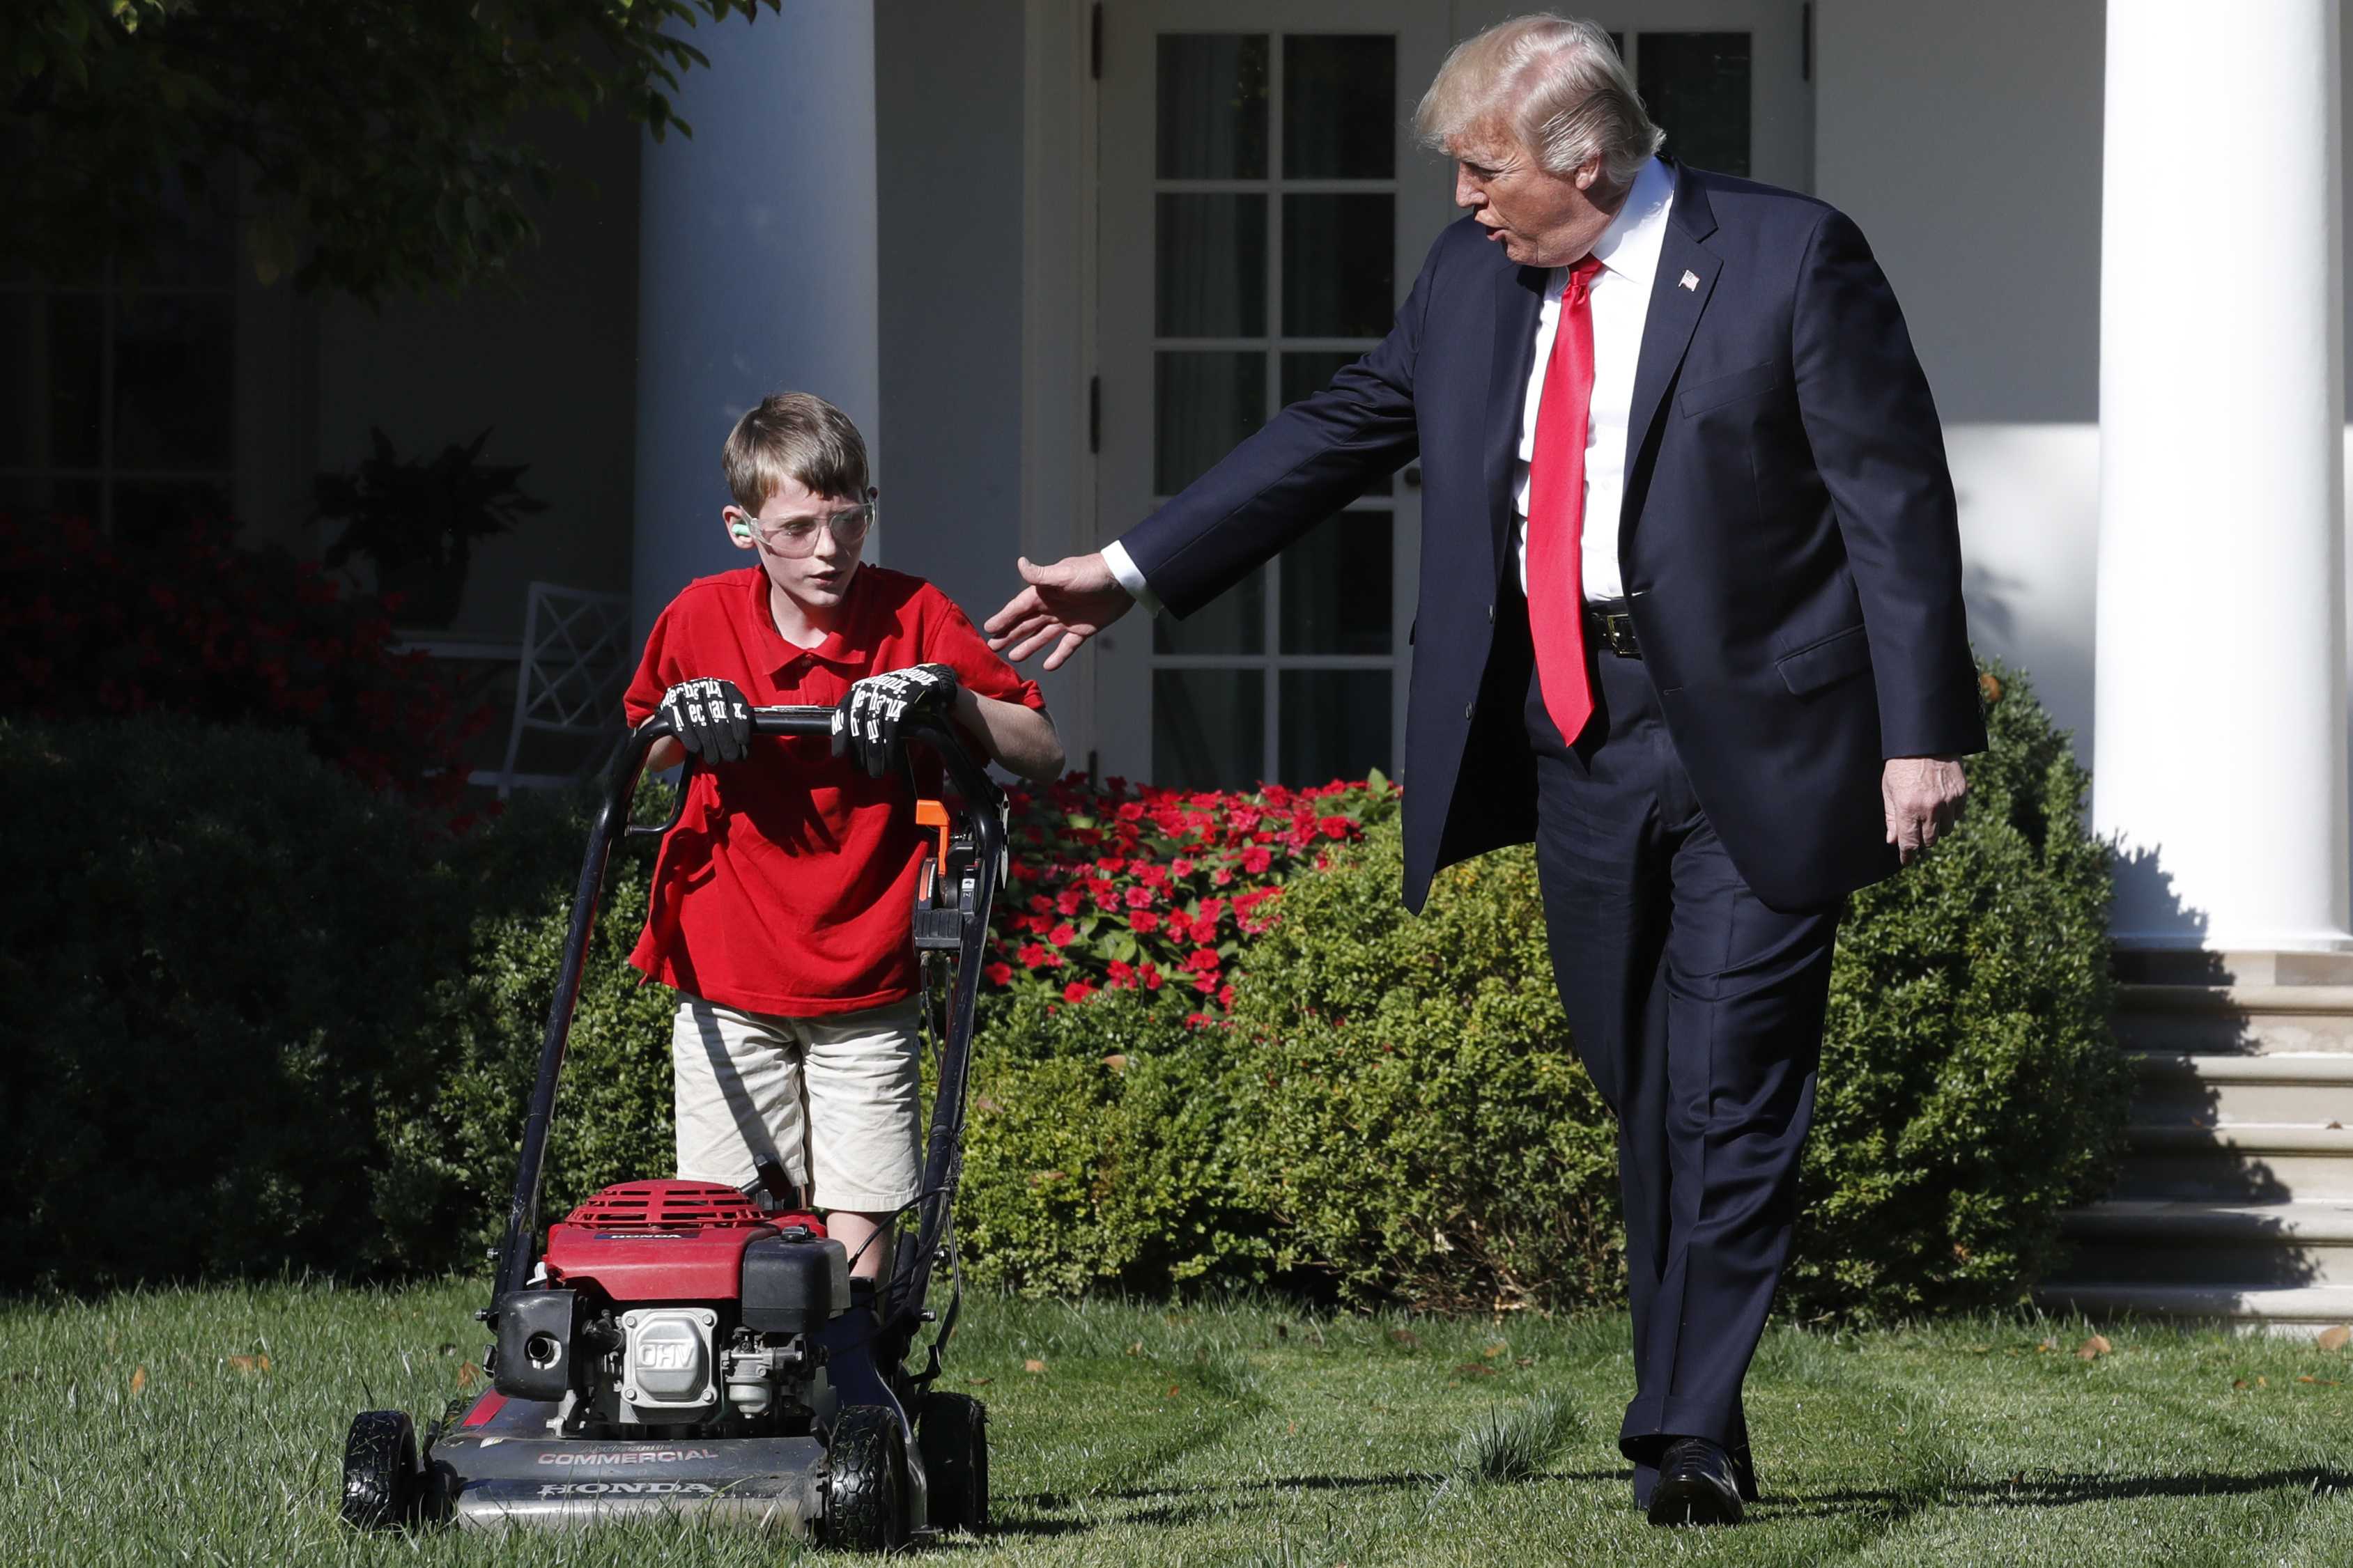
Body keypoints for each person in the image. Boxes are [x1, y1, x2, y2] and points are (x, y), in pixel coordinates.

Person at [985, 14, 1982, 1526]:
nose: (1460, 196)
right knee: (1639, 1084)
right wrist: (1129, 567)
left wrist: (1918, 734)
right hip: (1572, 736)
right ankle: (1687, 1398)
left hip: (1758, 743)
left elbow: (1891, 502)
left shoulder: (1787, 260)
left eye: (1481, 166)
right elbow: (1336, 428)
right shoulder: (1470, 279)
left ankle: (1685, 1435)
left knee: (1726, 1087)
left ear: (1581, 160)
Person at [627, 390, 1063, 1283]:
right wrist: (683, 718)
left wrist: (945, 693)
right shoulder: (700, 617)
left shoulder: (912, 617)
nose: (827, 550)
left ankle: (856, 1388)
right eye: (796, 529)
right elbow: (641, 754)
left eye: (848, 520)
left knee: (858, 1218)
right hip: (726, 961)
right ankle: (739, 1402)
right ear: (741, 527)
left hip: (866, 966)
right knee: (727, 1218)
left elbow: (1040, 750)